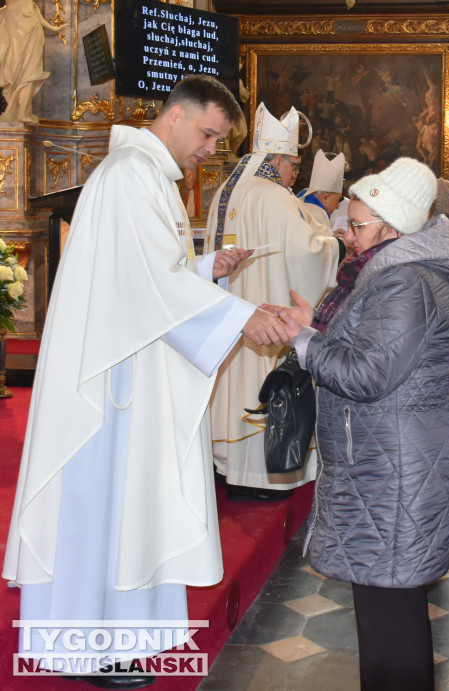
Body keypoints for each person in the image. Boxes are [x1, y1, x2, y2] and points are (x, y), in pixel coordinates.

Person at [3, 75, 291, 689]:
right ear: (177, 117)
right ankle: (91, 645)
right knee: (106, 503)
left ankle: (113, 639)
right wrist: (245, 315)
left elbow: (150, 275)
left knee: (122, 504)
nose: (211, 151)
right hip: (113, 376)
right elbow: (148, 286)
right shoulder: (132, 174)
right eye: (209, 134)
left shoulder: (145, 175)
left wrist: (205, 268)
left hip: (128, 359)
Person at [268, 158, 449, 691]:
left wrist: (303, 342)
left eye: (356, 227)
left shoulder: (405, 284)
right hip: (383, 461)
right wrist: (313, 328)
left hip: (394, 469)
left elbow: (366, 374)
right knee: (383, 610)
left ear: (392, 226)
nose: (348, 238)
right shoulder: (390, 275)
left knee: (391, 617)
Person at [204, 103, 342, 499]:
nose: (293, 175)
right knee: (258, 383)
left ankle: (229, 465)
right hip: (267, 316)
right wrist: (335, 248)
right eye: (292, 165)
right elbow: (306, 254)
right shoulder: (274, 196)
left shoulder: (227, 193)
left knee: (234, 386)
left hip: (233, 314)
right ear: (276, 159)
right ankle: (263, 477)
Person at [0, 0, 63, 123]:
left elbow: (37, 16)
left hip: (32, 35)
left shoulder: (32, 5)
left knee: (29, 75)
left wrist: (54, 28)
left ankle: (22, 112)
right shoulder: (5, 12)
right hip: (13, 34)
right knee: (13, 76)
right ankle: (18, 112)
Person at [296, 150, 347, 235]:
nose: (338, 206)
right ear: (325, 197)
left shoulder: (301, 202)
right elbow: (321, 246)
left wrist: (333, 234)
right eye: (337, 200)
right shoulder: (317, 213)